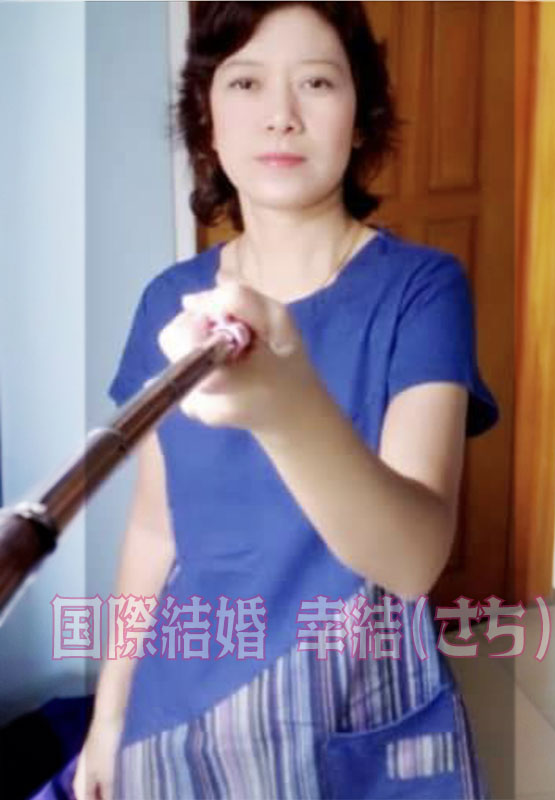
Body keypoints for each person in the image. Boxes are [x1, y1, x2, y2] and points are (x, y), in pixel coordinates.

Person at [71, 2, 499, 798]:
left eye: (317, 82)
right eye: (245, 83)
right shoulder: (170, 299)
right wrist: (107, 717)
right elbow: (154, 529)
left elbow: (412, 560)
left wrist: (288, 407)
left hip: (356, 709)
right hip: (185, 706)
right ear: (207, 119)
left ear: (361, 119)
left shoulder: (421, 291)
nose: (281, 115)